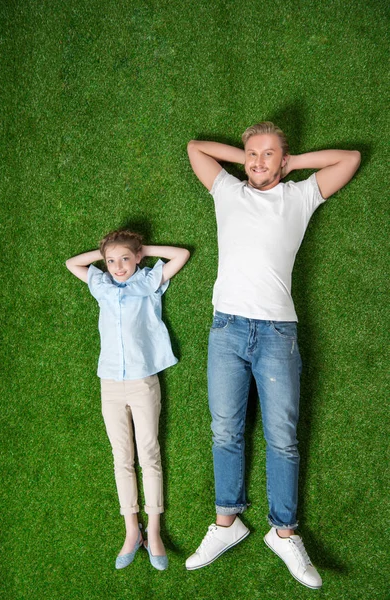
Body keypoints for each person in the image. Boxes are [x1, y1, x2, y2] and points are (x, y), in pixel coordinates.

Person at [185, 122, 360, 589]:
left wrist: (291, 164)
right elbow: (196, 148)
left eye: (270, 154)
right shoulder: (227, 191)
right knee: (225, 430)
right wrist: (250, 160)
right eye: (252, 154)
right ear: (242, 159)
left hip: (278, 331)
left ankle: (284, 533)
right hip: (226, 328)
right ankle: (228, 522)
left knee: (282, 437)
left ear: (284, 160)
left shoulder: (299, 196)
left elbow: (350, 160)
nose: (259, 161)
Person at [66, 229, 189, 571]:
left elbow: (180, 255)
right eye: (111, 262)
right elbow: (71, 263)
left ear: (137, 259)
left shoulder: (148, 282)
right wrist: (106, 251)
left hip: (142, 380)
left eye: (125, 260)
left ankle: (154, 530)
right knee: (122, 457)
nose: (117, 267)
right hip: (109, 382)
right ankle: (131, 530)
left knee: (149, 454)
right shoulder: (101, 286)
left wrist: (140, 249)